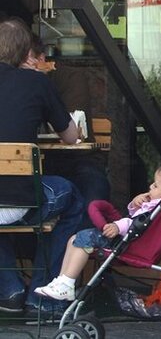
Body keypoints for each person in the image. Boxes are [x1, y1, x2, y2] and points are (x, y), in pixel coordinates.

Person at [0, 17, 85, 317]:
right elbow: (71, 137)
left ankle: (10, 290)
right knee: (72, 196)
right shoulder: (36, 82)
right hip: (18, 202)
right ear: (27, 53)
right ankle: (41, 295)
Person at [34, 163, 161, 302]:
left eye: (156, 186)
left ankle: (67, 283)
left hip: (127, 244)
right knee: (74, 239)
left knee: (84, 238)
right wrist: (135, 204)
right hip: (128, 238)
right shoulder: (155, 205)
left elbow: (137, 223)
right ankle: (62, 281)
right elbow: (136, 216)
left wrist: (117, 226)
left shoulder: (159, 208)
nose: (150, 187)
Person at [21, 32, 111, 223]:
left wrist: (38, 84)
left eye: (24, 61)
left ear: (41, 59)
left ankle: (84, 241)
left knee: (92, 195)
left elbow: (70, 127)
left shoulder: (69, 77)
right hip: (30, 165)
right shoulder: (11, 84)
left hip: (77, 159)